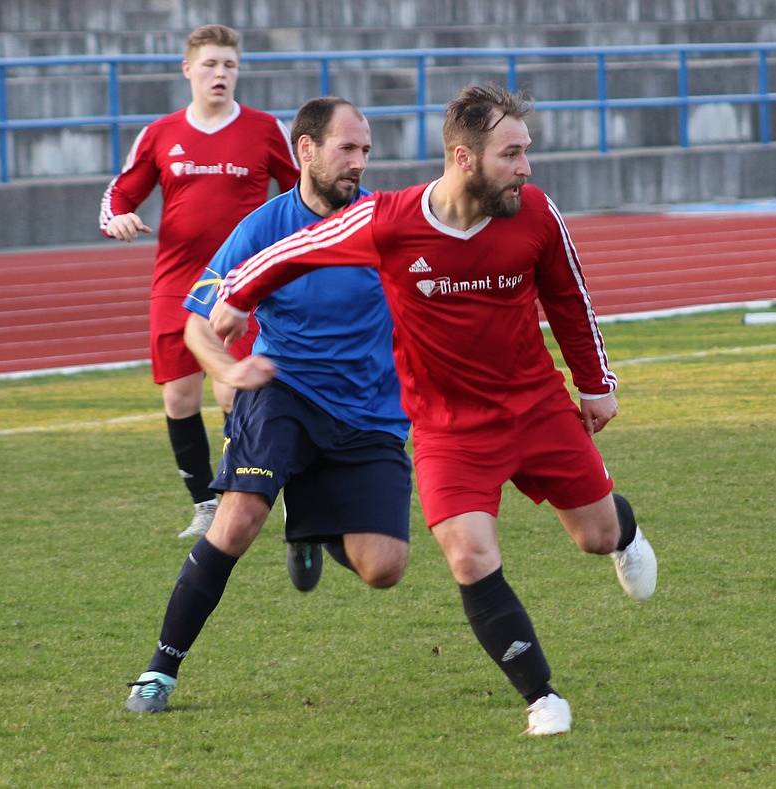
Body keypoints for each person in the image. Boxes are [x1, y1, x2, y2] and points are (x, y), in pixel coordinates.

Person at [210, 85, 658, 736]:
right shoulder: (392, 219)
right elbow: (298, 248)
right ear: (464, 158)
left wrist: (595, 383)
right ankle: (542, 697)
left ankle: (624, 531)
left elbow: (568, 296)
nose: (526, 168)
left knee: (593, 535)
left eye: (526, 152)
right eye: (512, 154)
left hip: (534, 406)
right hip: (447, 426)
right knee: (469, 556)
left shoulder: (534, 212)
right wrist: (237, 295)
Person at [125, 97, 412, 713]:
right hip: (282, 389)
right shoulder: (262, 229)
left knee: (384, 568)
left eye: (365, 151)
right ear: (306, 151)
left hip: (368, 410)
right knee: (238, 518)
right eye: (347, 149)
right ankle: (159, 671)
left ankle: (307, 530)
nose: (359, 163)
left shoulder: (384, 223)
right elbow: (198, 323)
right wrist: (229, 369)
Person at [99, 24, 298, 539]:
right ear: (188, 69)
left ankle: (256, 488)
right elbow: (121, 192)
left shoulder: (263, 129)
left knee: (237, 392)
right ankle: (204, 505)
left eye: (229, 65)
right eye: (210, 64)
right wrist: (117, 217)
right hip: (177, 281)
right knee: (179, 399)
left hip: (244, 282)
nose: (220, 74)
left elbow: (303, 193)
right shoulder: (161, 133)